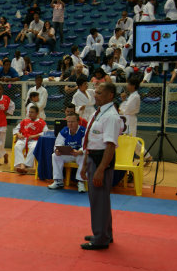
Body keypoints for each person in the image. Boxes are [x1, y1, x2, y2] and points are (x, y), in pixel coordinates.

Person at [80, 83, 122, 250]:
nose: (95, 95)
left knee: (100, 200)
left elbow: (110, 146)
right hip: (93, 156)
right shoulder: (98, 112)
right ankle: (104, 233)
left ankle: (100, 238)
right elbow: (91, 140)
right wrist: (85, 164)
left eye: (99, 93)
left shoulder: (111, 116)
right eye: (95, 92)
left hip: (101, 160)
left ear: (110, 95)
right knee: (99, 200)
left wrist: (100, 169)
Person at [49, 113, 86, 192]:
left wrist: (79, 151)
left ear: (78, 122)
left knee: (85, 156)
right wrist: (57, 150)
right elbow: (58, 143)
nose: (70, 124)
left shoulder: (83, 131)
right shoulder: (64, 130)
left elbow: (86, 146)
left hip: (79, 155)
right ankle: (58, 181)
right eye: (68, 122)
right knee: (54, 155)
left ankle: (81, 182)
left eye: (72, 122)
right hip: (68, 154)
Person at [13, 105, 47, 174]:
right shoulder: (25, 121)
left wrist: (35, 135)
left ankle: (26, 165)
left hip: (34, 140)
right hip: (23, 138)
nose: (30, 114)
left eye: (32, 112)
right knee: (17, 146)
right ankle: (21, 164)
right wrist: (18, 134)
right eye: (29, 112)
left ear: (37, 113)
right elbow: (16, 129)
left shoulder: (41, 122)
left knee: (34, 147)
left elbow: (46, 132)